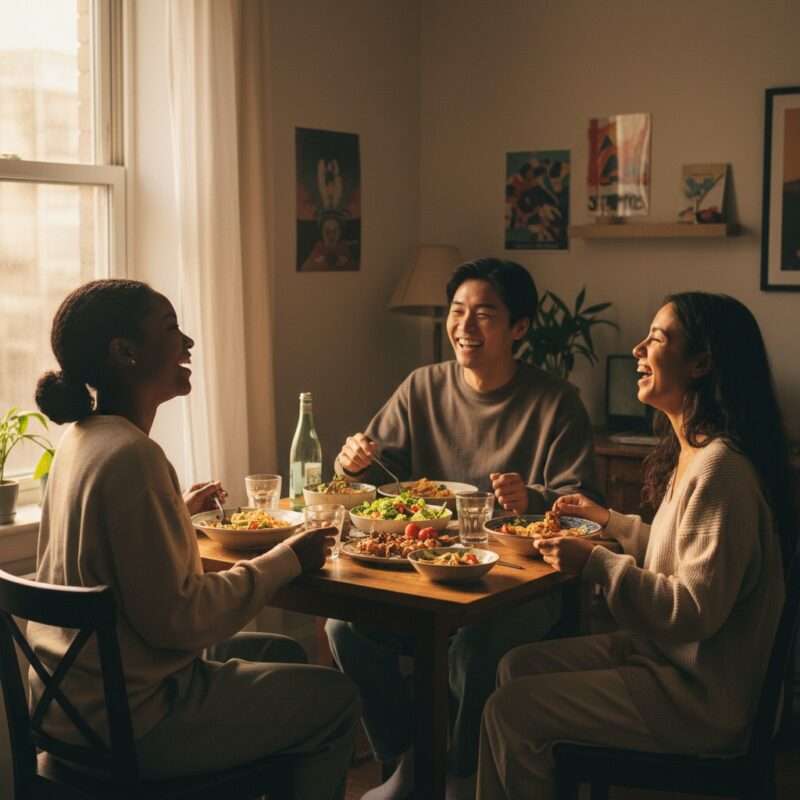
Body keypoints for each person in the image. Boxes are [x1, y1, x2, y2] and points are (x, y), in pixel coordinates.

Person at [30, 279, 360, 799]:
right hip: (140, 721)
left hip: (74, 706)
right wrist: (286, 558)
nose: (187, 343)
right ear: (125, 353)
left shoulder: (81, 441)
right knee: (336, 697)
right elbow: (182, 619)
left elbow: (106, 550)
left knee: (279, 650)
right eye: (170, 328)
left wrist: (175, 513)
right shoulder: (132, 457)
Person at [477, 292, 796, 800]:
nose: (637, 348)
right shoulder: (697, 452)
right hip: (670, 667)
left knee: (509, 710)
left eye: (657, 338)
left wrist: (597, 563)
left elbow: (691, 610)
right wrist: (610, 521)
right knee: (516, 665)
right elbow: (682, 554)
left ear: (702, 363)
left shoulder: (720, 471)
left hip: (700, 699)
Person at [326, 258, 603, 799]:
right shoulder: (422, 386)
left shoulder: (556, 402)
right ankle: (406, 763)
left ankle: (458, 773)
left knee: (473, 649)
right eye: (457, 313)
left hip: (522, 582)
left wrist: (536, 497)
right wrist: (351, 462)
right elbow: (377, 473)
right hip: (423, 570)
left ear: (519, 327)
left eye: (484, 315)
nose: (464, 327)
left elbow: (586, 509)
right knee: (345, 629)